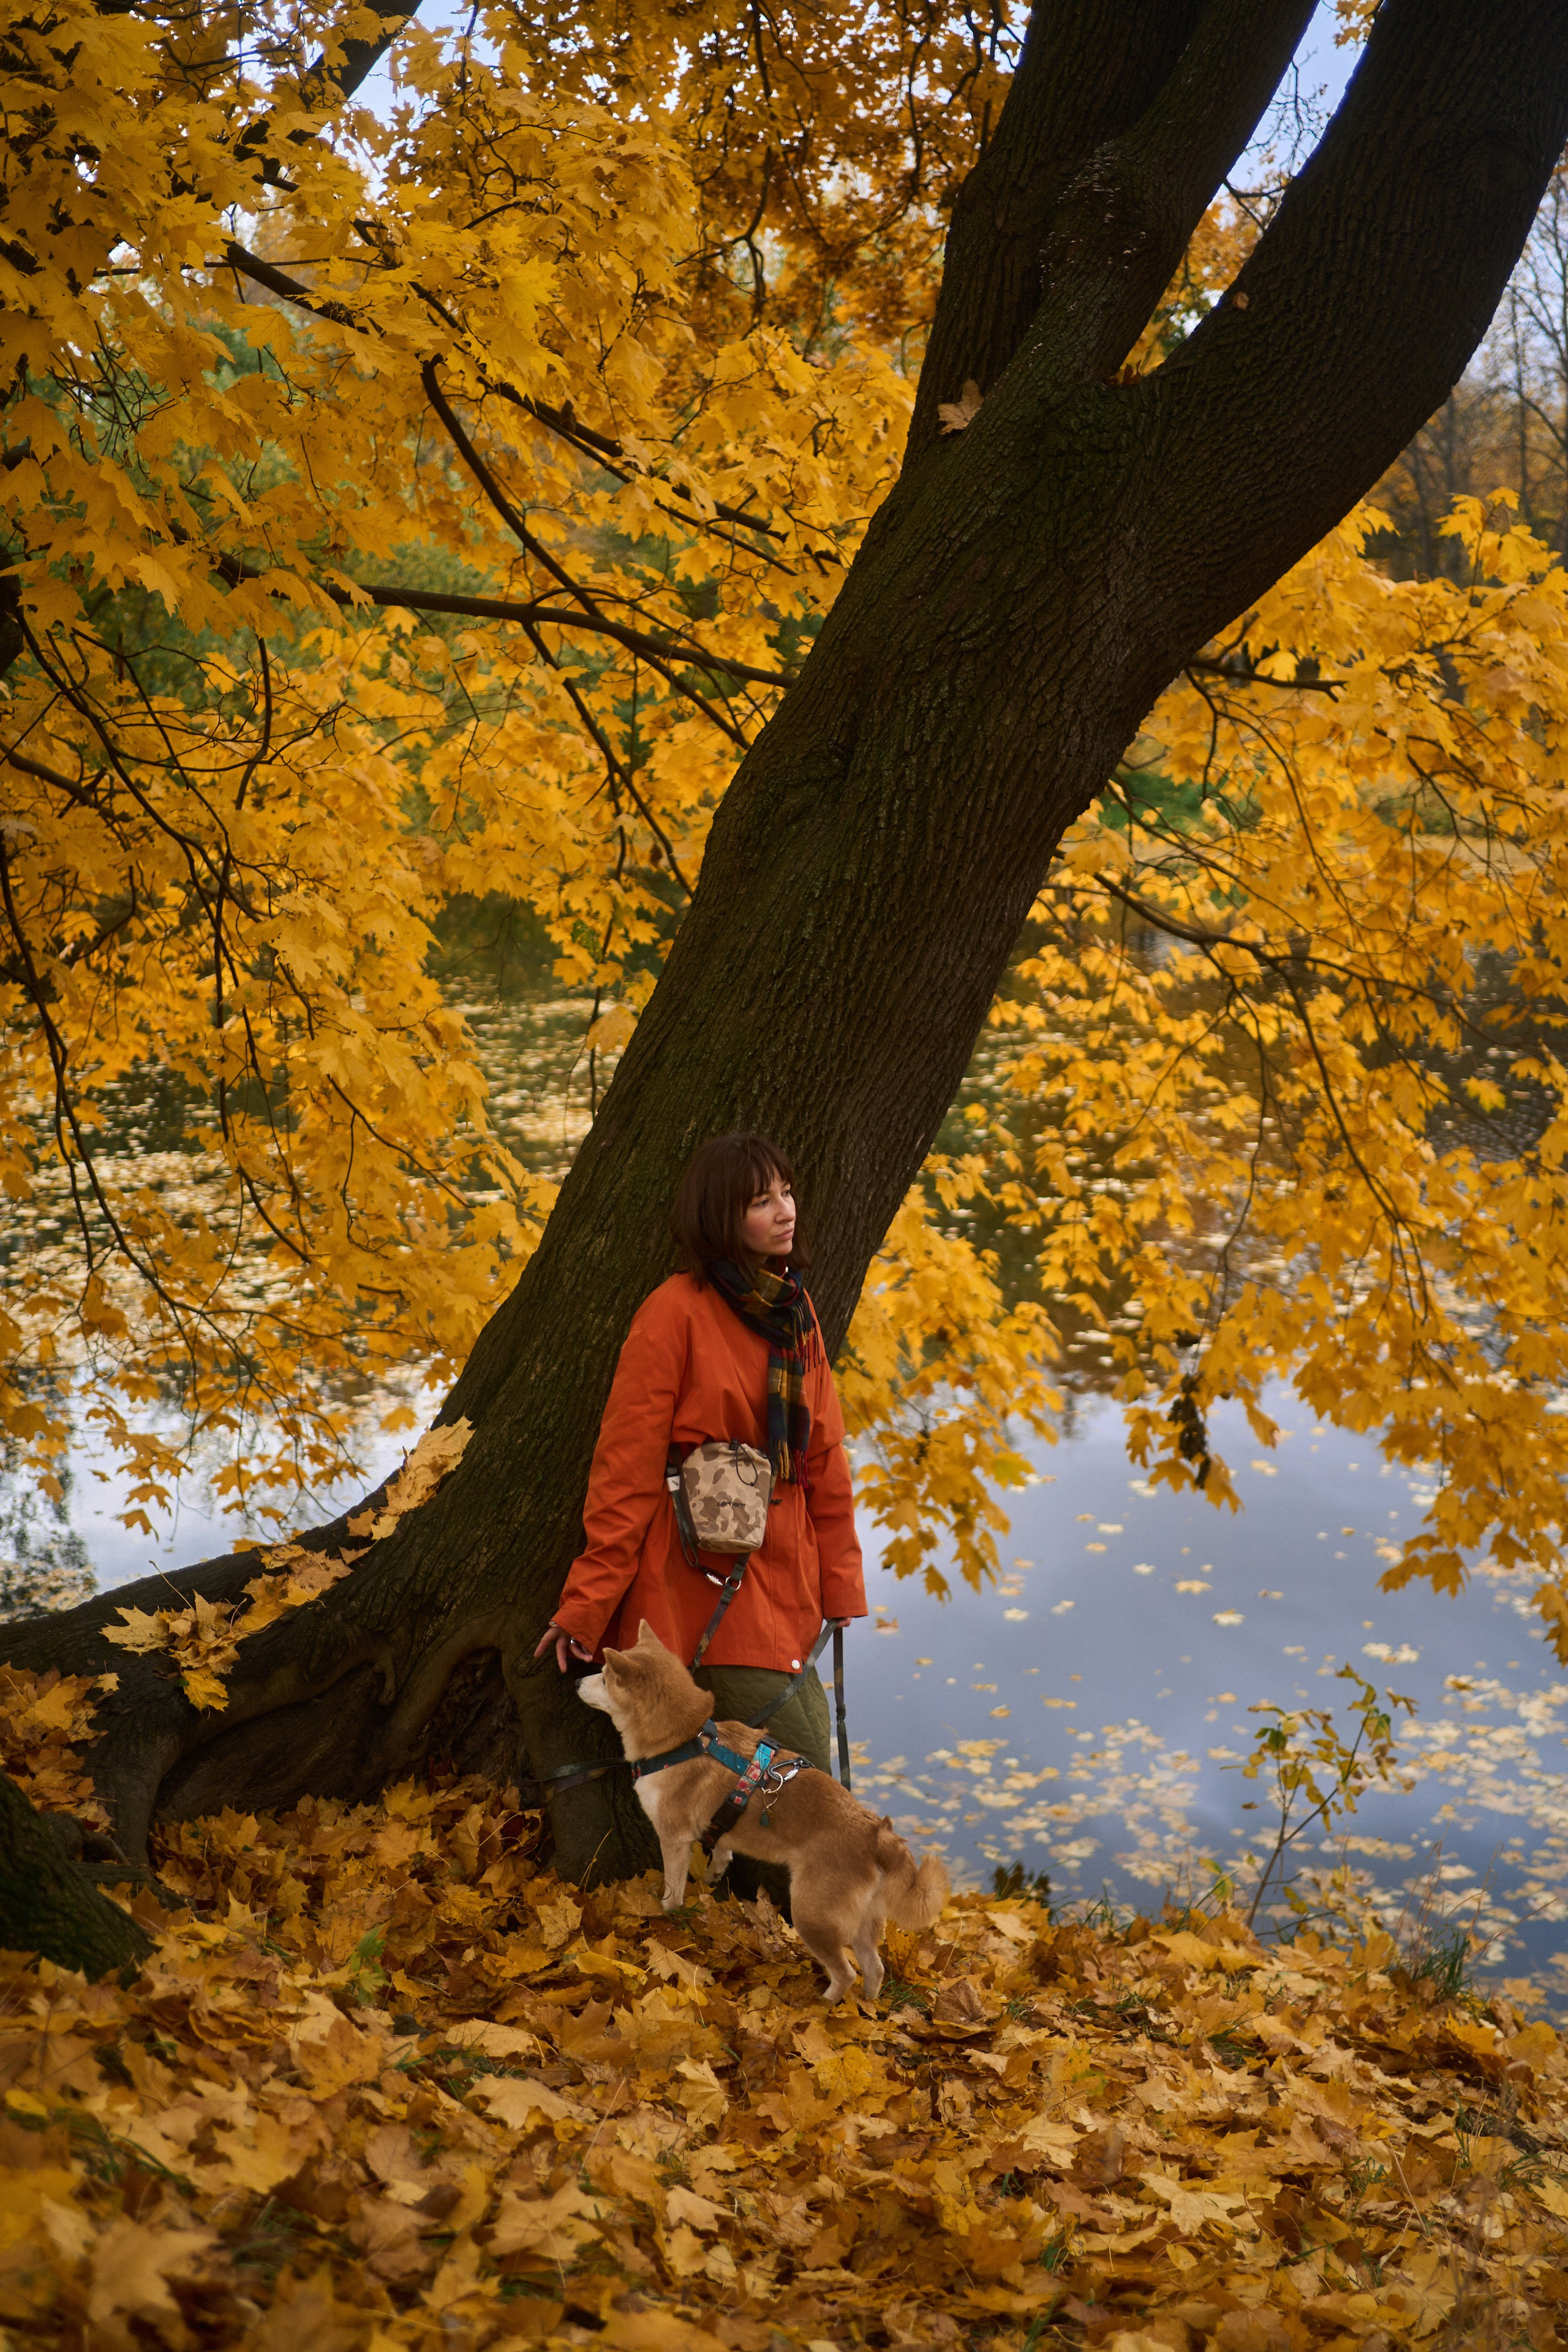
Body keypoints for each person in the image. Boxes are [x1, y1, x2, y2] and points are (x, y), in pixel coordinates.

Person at [535, 1131, 866, 1779]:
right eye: (760, 1201)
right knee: (801, 1785)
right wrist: (587, 1605)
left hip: (788, 1584)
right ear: (720, 1217)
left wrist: (841, 1587)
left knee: (785, 1786)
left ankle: (748, 1883)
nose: (785, 1210)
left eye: (786, 1192)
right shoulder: (672, 1314)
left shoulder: (796, 1316)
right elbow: (624, 1472)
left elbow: (826, 1460)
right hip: (698, 1588)